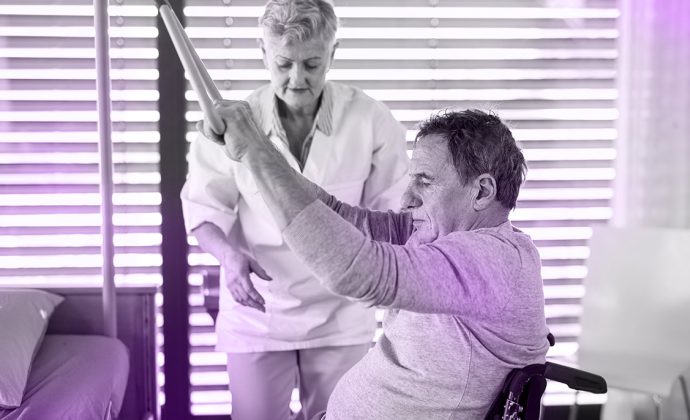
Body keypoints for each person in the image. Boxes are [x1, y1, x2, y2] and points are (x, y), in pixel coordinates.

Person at [200, 104, 551, 419]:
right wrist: (255, 153)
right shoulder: (433, 234)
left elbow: (357, 271)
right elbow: (336, 215)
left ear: (482, 191)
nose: (406, 199)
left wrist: (256, 153)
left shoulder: (496, 258)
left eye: (424, 183)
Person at [179, 0, 409, 419]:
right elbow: (203, 208)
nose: (298, 79)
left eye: (312, 64)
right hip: (259, 307)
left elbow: (392, 220)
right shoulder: (231, 123)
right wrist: (229, 258)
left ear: (333, 54)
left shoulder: (372, 120)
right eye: (284, 63)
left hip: (343, 309)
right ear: (263, 53)